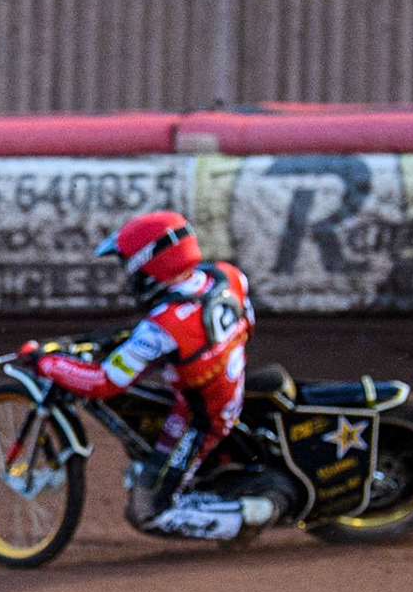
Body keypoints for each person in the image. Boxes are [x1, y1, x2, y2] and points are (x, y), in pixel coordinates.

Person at [27, 210, 280, 541]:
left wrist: (44, 363)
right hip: (227, 385)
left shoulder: (164, 326)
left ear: (147, 266)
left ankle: (252, 516)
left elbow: (105, 382)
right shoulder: (226, 276)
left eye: (127, 264)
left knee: (147, 513)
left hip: (202, 417)